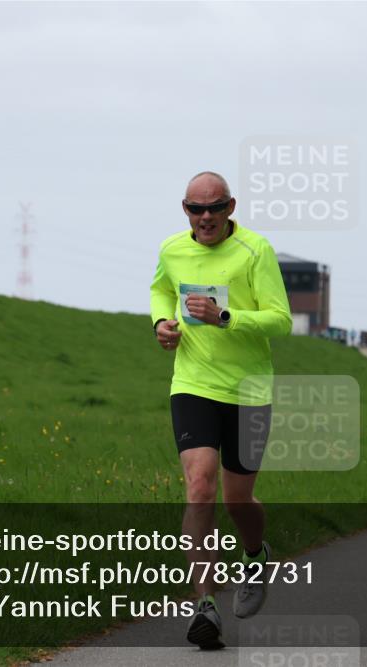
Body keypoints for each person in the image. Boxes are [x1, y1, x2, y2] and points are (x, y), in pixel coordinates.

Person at [150, 171, 292, 649]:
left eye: (214, 208)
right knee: (199, 486)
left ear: (231, 206)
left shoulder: (256, 251)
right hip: (193, 383)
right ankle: (205, 605)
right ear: (184, 209)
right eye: (196, 208)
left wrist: (226, 317)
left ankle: (255, 554)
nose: (205, 217)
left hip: (249, 391)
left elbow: (281, 320)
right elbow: (160, 290)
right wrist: (161, 324)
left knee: (237, 500)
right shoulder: (172, 249)